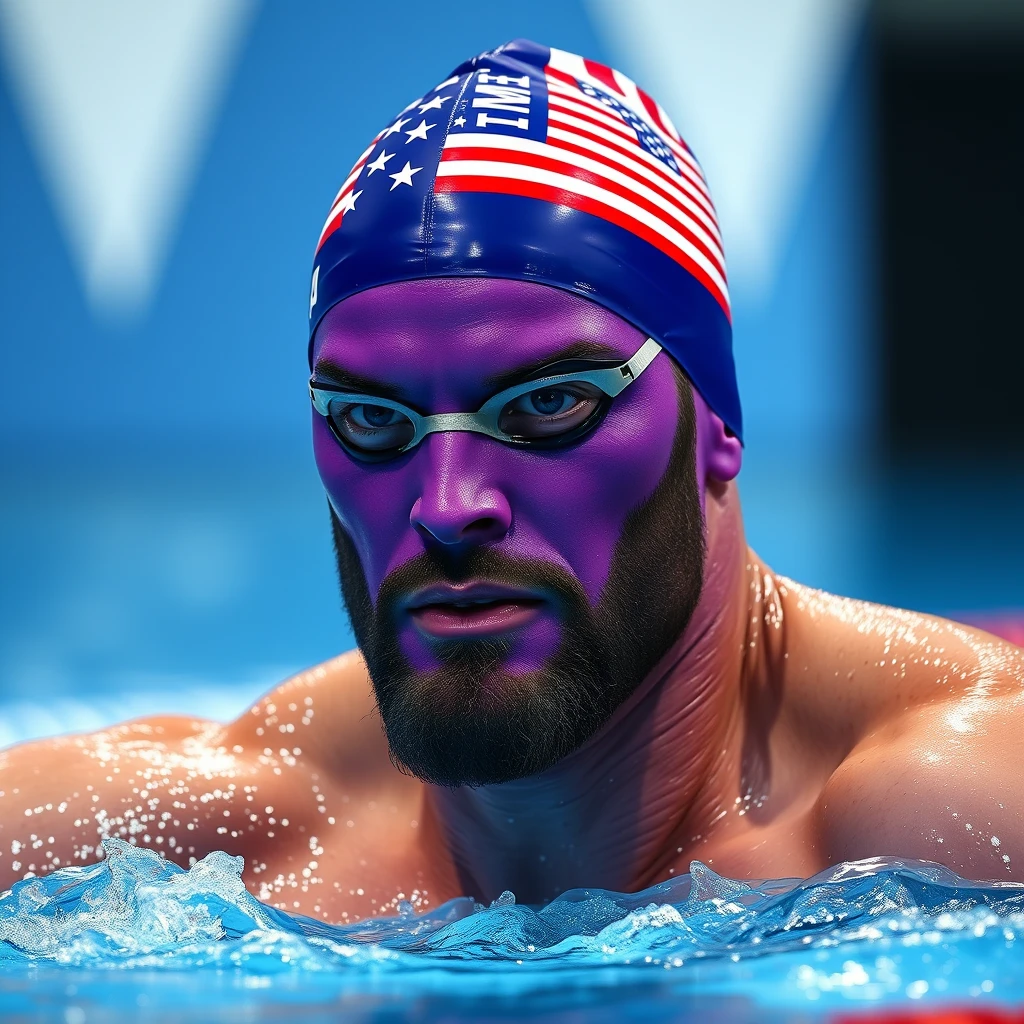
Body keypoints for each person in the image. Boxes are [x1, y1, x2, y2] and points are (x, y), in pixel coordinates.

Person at [0, 40, 1020, 923]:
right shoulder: (207, 844)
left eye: (544, 408)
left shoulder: (951, 810)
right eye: (371, 422)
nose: (446, 505)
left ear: (715, 423)